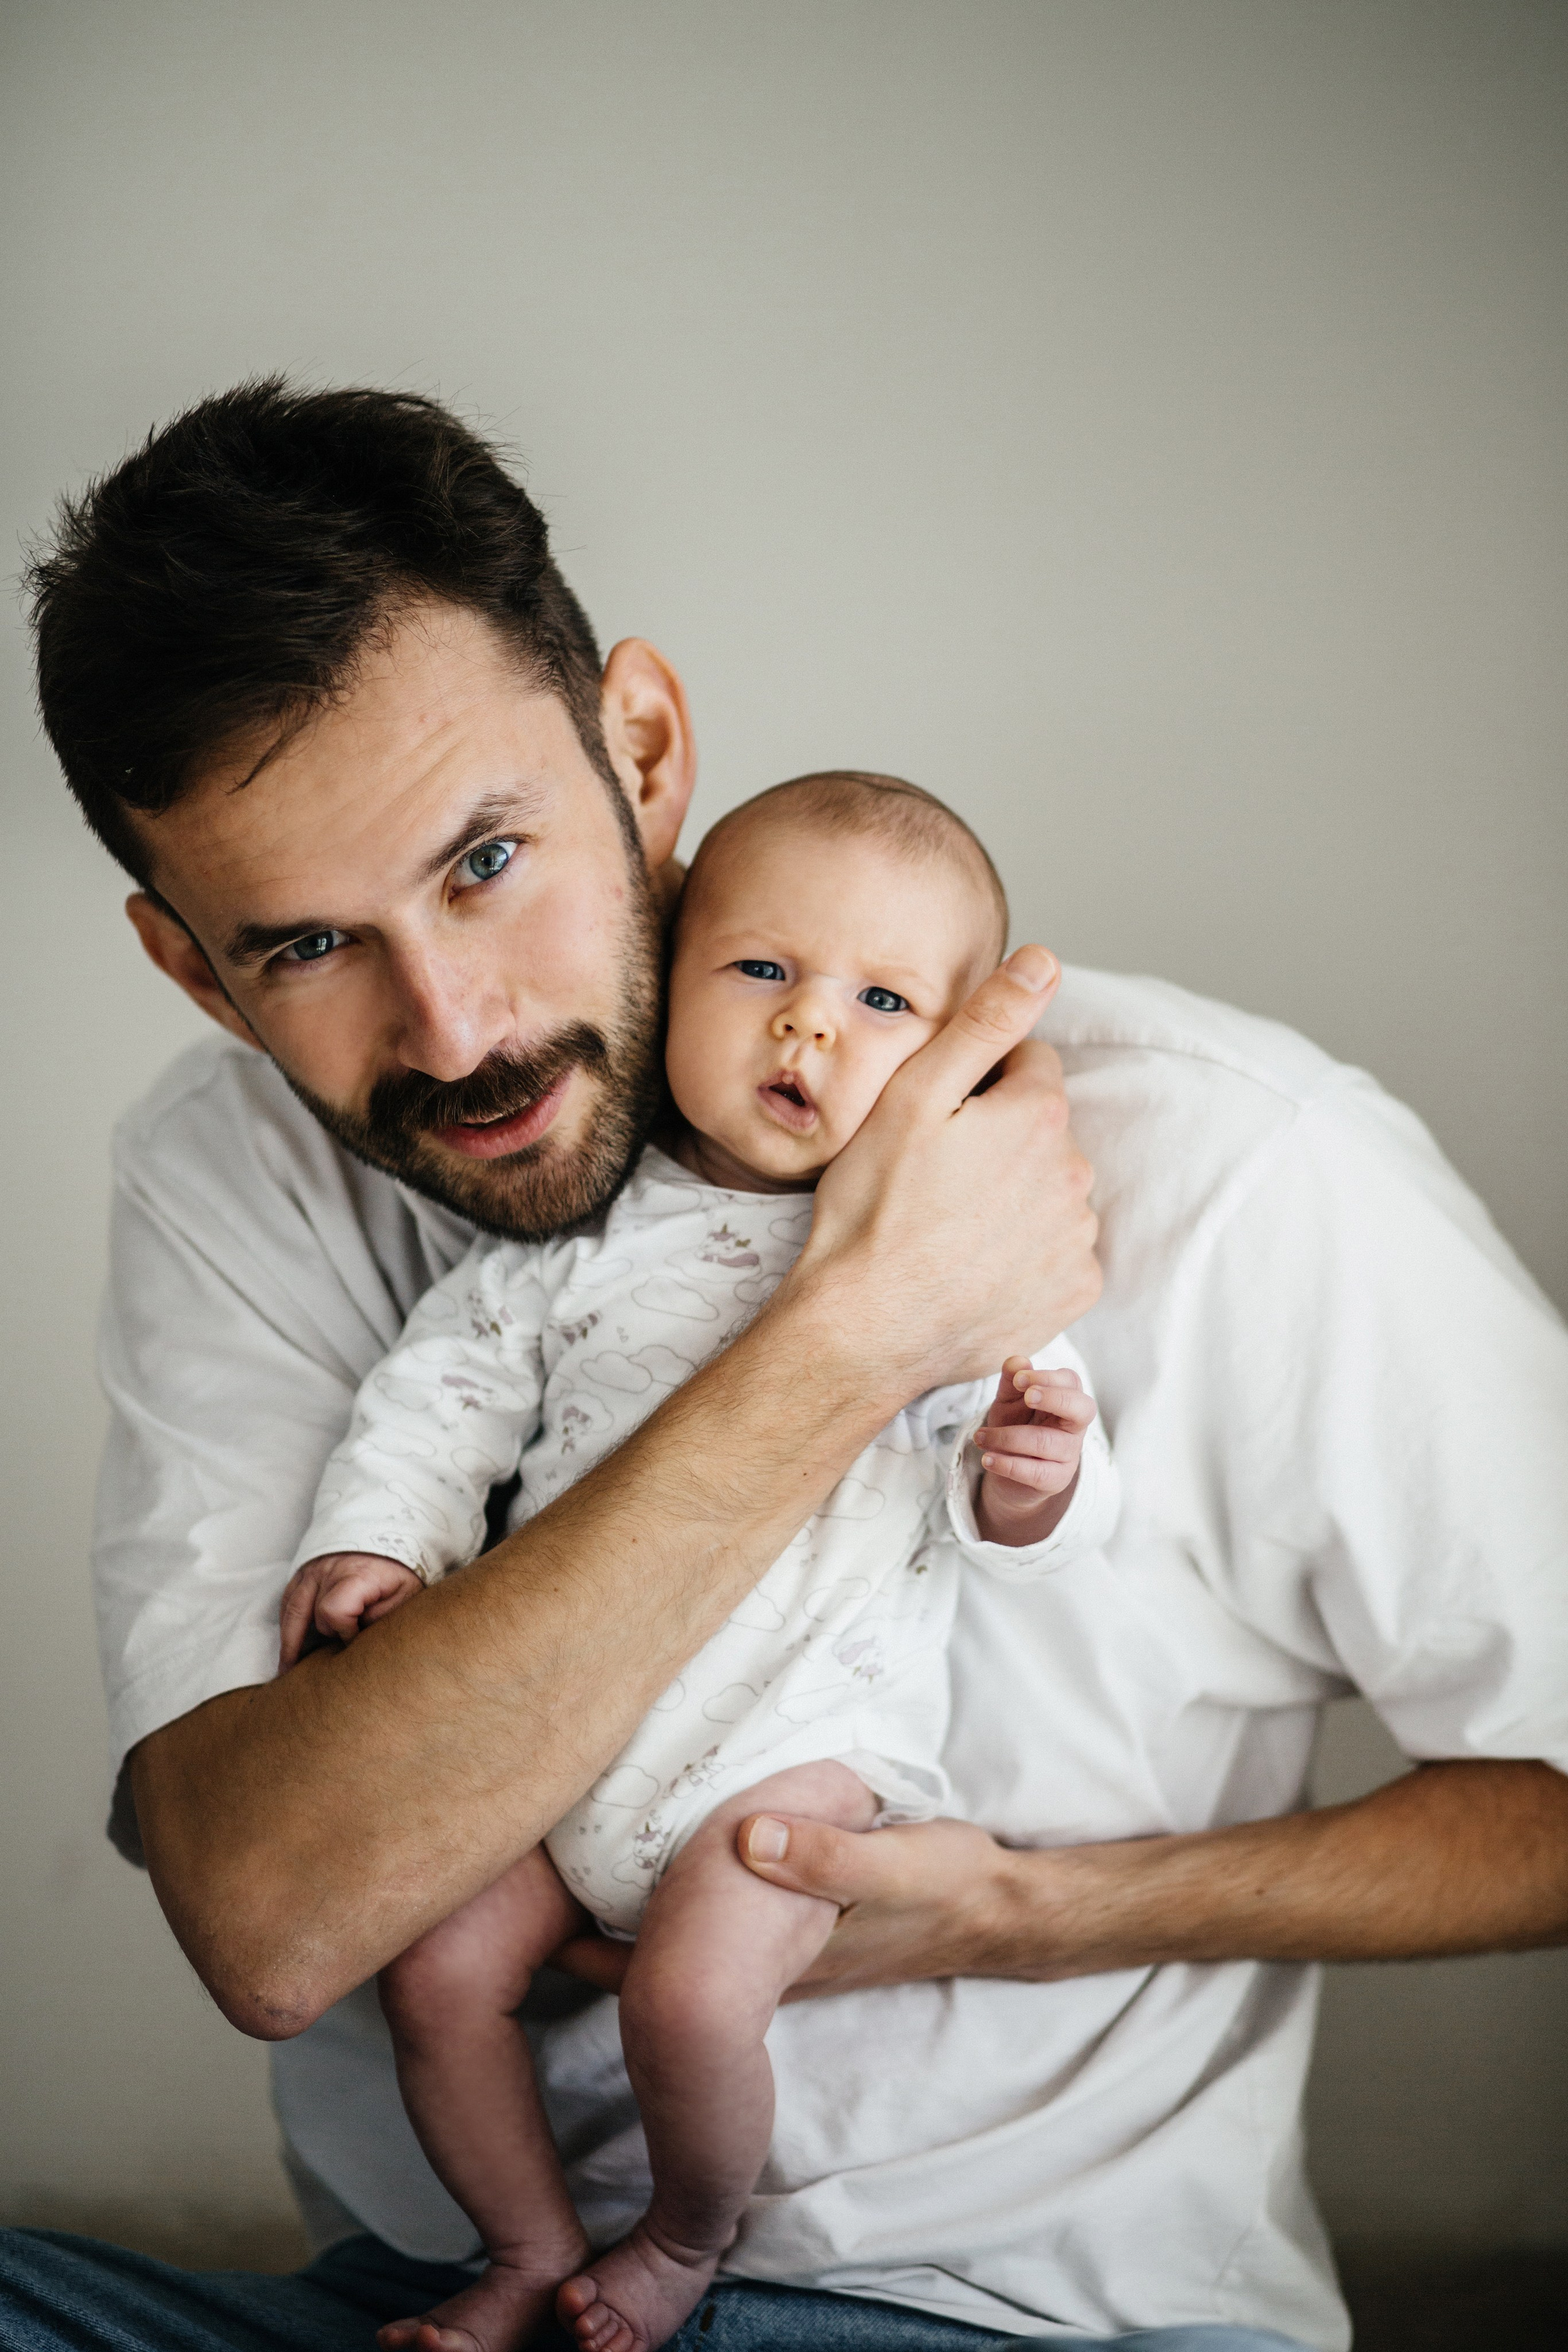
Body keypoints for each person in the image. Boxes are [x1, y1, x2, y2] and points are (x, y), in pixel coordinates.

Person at [6, 379, 1566, 2352]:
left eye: (486, 861)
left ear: (644, 749)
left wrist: (1034, 1915)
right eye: (306, 948)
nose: (457, 1030)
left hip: (1008, 2320)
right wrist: (853, 1334)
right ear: (195, 969)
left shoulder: (1234, 1156)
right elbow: (275, 1919)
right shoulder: (234, 1169)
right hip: (436, 2302)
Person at [281, 771, 1121, 2352]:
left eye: (882, 1002)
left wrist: (1037, 1476)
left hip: (789, 1753)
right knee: (437, 1977)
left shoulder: (948, 1243)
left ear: (958, 1054)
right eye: (761, 970)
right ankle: (525, 2247)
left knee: (690, 1999)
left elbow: (1031, 1497)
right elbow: (444, 1390)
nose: (808, 1027)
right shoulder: (579, 1236)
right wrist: (379, 1539)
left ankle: (680, 2239)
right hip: (562, 1734)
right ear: (665, 979)